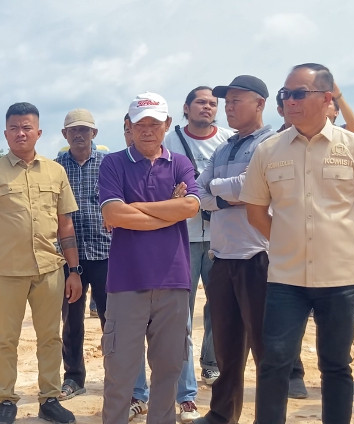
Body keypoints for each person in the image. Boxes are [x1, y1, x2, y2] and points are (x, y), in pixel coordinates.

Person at [241, 63, 354, 424]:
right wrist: (284, 242)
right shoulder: (269, 150)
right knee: (274, 363)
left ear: (327, 99)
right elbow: (255, 210)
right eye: (285, 94)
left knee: (336, 365)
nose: (289, 101)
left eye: (298, 94)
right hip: (286, 279)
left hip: (341, 278)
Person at [98, 92, 200, 424]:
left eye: (155, 124)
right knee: (120, 375)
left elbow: (191, 206)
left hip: (173, 280)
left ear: (167, 125)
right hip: (127, 282)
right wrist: (168, 213)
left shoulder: (180, 164)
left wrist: (133, 208)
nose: (147, 131)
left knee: (168, 371)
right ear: (127, 127)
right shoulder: (113, 163)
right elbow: (113, 212)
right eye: (140, 124)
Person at [0, 102, 81, 424]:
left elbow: (65, 224)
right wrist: (5, 240)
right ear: (6, 133)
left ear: (38, 132)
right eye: (14, 128)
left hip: (49, 270)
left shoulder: (55, 172)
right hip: (7, 272)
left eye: (27, 127)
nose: (21, 133)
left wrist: (74, 270)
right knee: (5, 339)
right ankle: (6, 400)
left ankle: (49, 398)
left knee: (50, 336)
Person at [191, 75, 274, 424]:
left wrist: (217, 190)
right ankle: (222, 413)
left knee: (265, 348)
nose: (229, 107)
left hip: (258, 256)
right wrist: (226, 194)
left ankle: (269, 416)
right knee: (226, 347)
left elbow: (252, 187)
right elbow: (198, 193)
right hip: (222, 257)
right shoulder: (225, 146)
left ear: (260, 104)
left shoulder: (273, 143)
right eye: (227, 101)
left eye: (237, 100)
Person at [163, 86, 232, 387]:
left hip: (222, 236)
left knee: (220, 304)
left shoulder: (229, 140)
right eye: (201, 102)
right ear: (186, 108)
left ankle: (211, 362)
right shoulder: (170, 142)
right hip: (182, 236)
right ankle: (182, 373)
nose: (207, 107)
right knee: (182, 308)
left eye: (212, 104)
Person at [53, 109, 110, 402]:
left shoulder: (108, 164)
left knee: (110, 319)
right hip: (68, 257)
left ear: (94, 134)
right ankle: (74, 378)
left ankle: (115, 376)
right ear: (65, 135)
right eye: (73, 130)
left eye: (85, 130)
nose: (79, 135)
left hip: (105, 252)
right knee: (72, 321)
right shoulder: (55, 167)